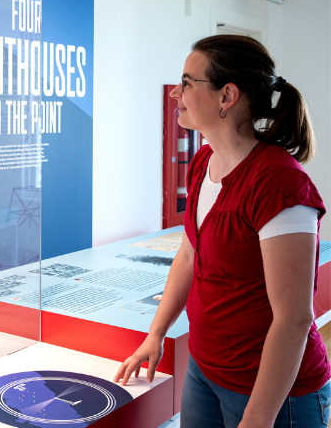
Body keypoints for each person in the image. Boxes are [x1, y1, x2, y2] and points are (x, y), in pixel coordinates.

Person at [115, 35, 330, 428]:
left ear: (226, 96)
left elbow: (294, 318)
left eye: (187, 82)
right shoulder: (203, 162)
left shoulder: (280, 184)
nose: (175, 93)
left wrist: (259, 417)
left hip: (272, 393)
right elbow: (189, 255)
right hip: (205, 370)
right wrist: (155, 334)